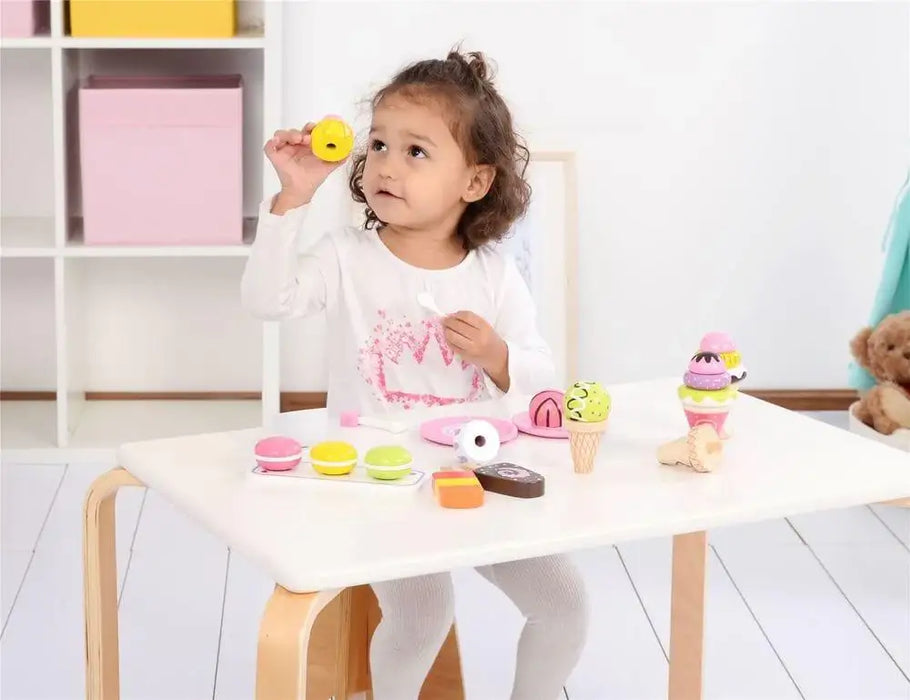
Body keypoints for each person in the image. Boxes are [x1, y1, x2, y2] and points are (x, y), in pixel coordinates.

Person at [241, 48, 588, 700]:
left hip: (479, 475)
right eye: (378, 145)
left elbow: (543, 381)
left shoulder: (492, 273)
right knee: (422, 611)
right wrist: (292, 199)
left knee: (566, 604)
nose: (386, 166)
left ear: (475, 183)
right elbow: (268, 301)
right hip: (384, 479)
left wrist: (497, 357)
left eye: (416, 152)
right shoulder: (346, 257)